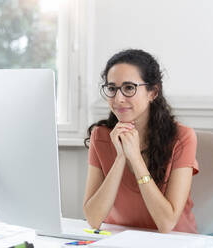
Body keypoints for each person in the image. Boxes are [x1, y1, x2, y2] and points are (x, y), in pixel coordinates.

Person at [83, 49, 199, 234]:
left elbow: (166, 223)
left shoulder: (183, 137)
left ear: (153, 92)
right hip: (121, 240)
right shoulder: (101, 136)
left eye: (129, 88)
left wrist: (135, 159)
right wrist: (120, 157)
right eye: (112, 89)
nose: (118, 99)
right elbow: (93, 219)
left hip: (174, 242)